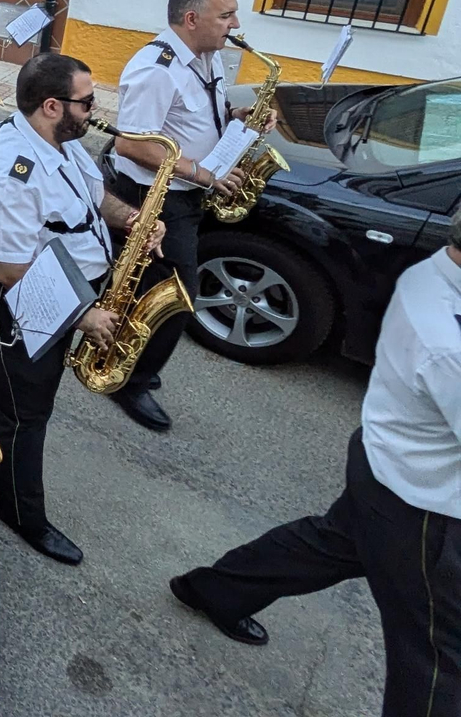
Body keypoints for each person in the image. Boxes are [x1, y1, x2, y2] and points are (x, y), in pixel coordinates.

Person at [175, 241, 461, 715]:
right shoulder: (450, 348)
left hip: (390, 469)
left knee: (330, 545)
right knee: (439, 657)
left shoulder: (433, 274)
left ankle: (214, 591)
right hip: (425, 508)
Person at [0, 53, 162, 566]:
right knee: (26, 411)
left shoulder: (59, 140)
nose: (95, 110)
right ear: (52, 106)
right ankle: (22, 516)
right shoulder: (11, 172)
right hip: (15, 299)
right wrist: (83, 316)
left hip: (54, 288)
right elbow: (8, 269)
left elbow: (91, 198)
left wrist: (131, 218)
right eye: (87, 102)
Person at [105, 0, 267, 433]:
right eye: (226, 15)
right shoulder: (156, 69)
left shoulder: (206, 57)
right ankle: (129, 381)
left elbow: (192, 118)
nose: (235, 24)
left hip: (184, 196)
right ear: (192, 18)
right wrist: (203, 173)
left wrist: (238, 118)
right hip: (157, 199)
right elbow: (131, 145)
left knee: (151, 290)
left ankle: (131, 355)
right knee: (176, 298)